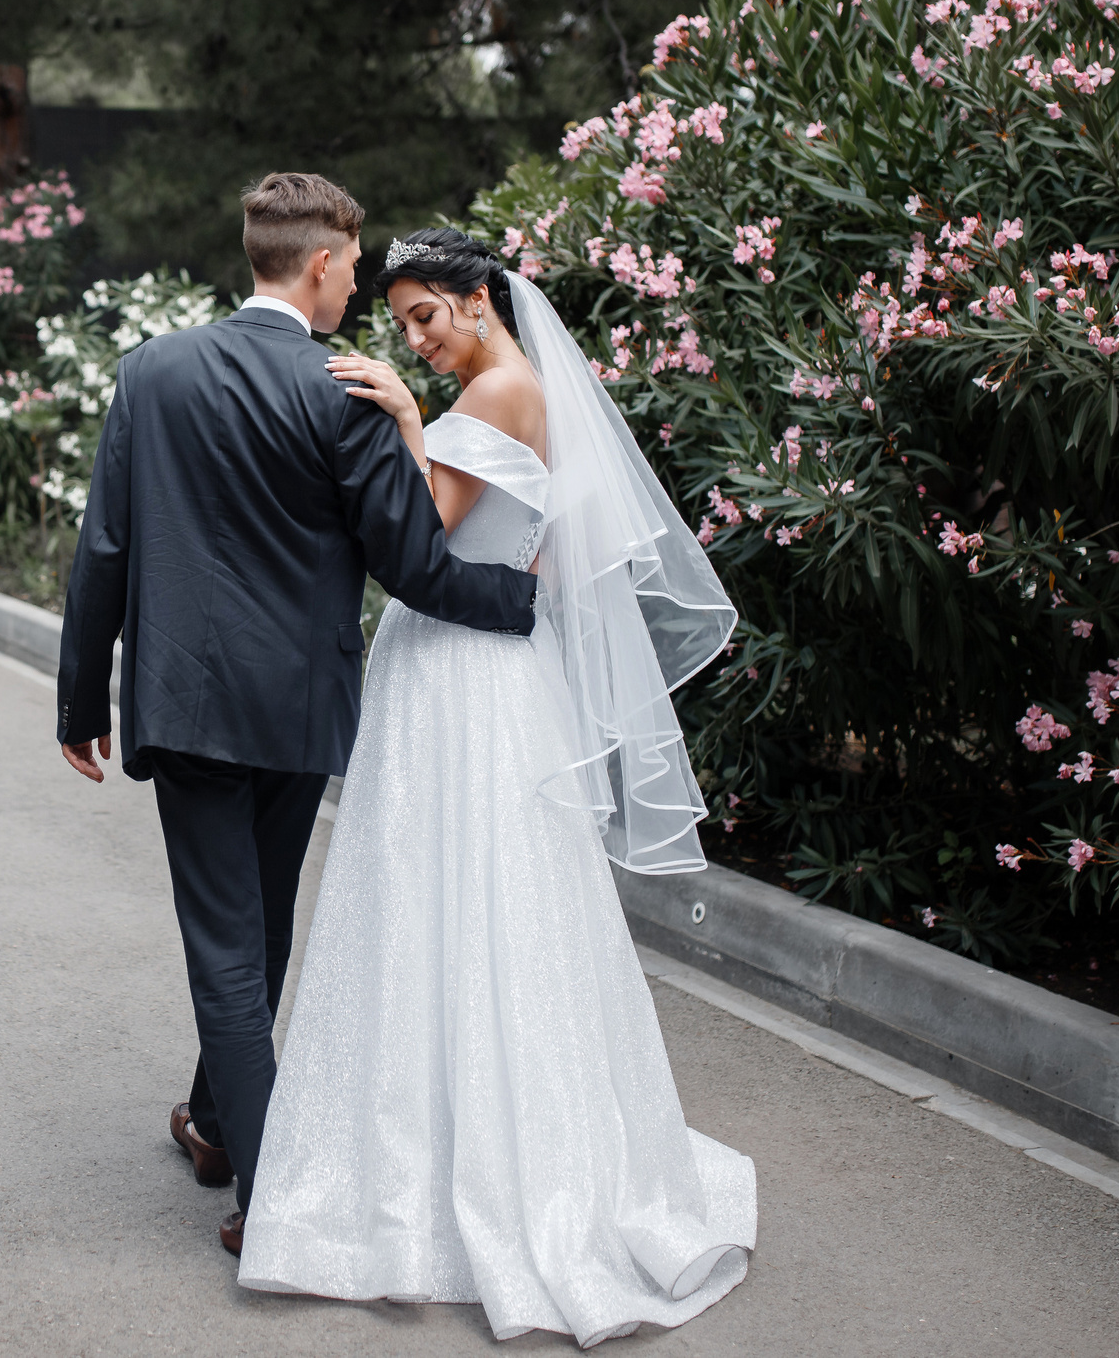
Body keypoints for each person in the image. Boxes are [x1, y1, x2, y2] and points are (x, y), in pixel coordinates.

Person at [238, 228, 758, 1345]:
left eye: (429, 315)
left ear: (481, 299)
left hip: (460, 678)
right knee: (476, 900)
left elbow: (420, 538)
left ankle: (459, 1174)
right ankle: (480, 1137)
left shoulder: (491, 397)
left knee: (446, 893)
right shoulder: (526, 390)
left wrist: (410, 424)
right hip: (488, 668)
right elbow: (544, 558)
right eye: (406, 322)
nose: (417, 340)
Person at [56, 176, 539, 1259]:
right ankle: (221, 1132)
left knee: (233, 941)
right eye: (356, 270)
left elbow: (106, 550)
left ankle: (265, 1195)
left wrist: (82, 698)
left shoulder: (153, 371)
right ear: (319, 264)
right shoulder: (345, 390)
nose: (359, 289)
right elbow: (414, 566)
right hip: (298, 709)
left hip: (183, 705)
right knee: (257, 925)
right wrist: (529, 600)